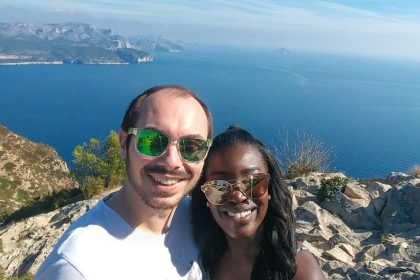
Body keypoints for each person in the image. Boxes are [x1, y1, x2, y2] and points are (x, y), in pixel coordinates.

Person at [35, 85, 213, 279]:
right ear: (123, 143)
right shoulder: (77, 268)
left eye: (192, 147)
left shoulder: (203, 218)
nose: (172, 161)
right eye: (152, 141)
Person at [191, 126, 326, 280]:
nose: (237, 196)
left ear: (270, 189)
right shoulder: (199, 255)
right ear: (205, 197)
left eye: (253, 182)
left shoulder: (299, 272)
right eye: (219, 186)